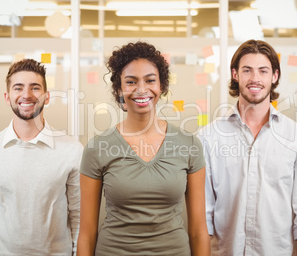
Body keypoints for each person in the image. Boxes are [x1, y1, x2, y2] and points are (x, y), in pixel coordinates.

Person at [77, 41, 210, 256]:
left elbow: (198, 231)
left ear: (161, 87)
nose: (141, 89)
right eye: (131, 82)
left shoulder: (189, 145)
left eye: (150, 80)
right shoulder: (97, 148)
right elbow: (87, 234)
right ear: (119, 89)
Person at [197, 39, 297, 255]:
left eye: (263, 71)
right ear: (235, 74)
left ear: (275, 76)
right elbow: (204, 216)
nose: (255, 79)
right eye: (247, 70)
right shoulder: (208, 137)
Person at [0, 59, 83, 255]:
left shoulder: (72, 151)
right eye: (18, 88)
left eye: (35, 88)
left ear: (46, 97)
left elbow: (79, 217)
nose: (26, 95)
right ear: (7, 97)